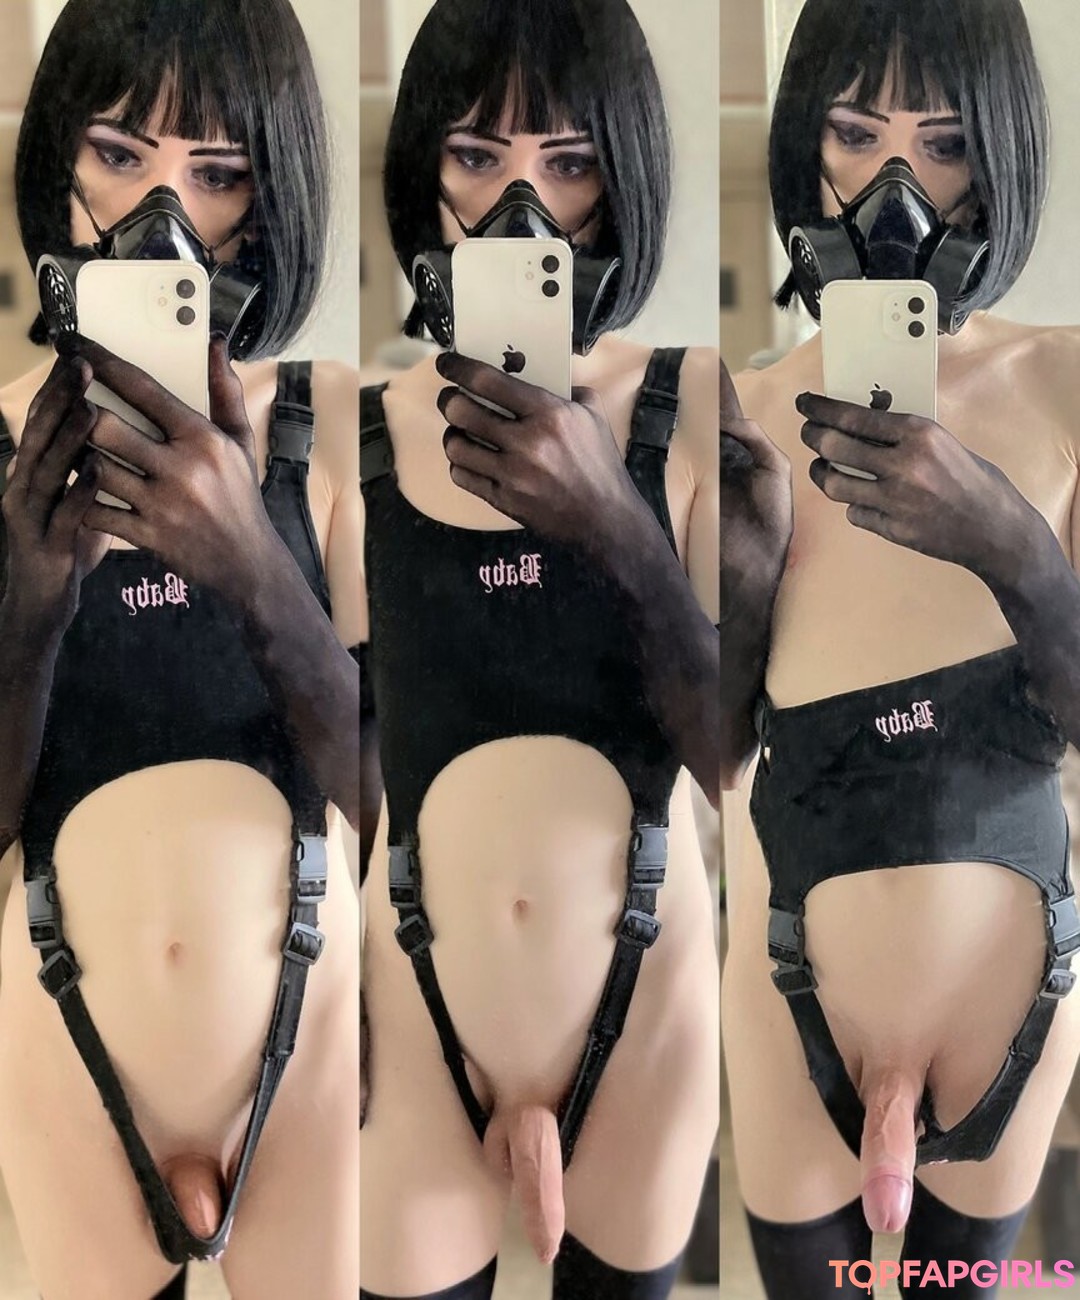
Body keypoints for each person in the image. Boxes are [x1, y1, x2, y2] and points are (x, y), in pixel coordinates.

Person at [357, 1, 720, 1296]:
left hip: (649, 992)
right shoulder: (353, 429)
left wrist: (616, 520)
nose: (523, 210)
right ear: (425, 175)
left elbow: (745, 755)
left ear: (620, 186)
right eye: (476, 157)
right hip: (411, 998)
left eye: (567, 164)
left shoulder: (694, 411)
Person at [0, 1, 361, 1297]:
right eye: (117, 154)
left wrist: (257, 567)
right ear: (59, 164)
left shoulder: (333, 435)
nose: (162, 217)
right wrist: (31, 608)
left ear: (267, 208)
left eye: (217, 174)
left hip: (311, 1040)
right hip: (65, 1044)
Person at [721, 1, 1080, 1297]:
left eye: (943, 144)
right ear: (804, 149)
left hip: (1012, 994)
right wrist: (745, 574)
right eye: (855, 134)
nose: (894, 187)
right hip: (785, 994)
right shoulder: (742, 414)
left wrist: (1011, 544)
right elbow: (703, 749)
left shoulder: (1066, 389)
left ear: (999, 159)